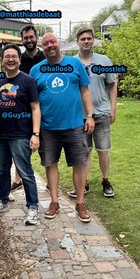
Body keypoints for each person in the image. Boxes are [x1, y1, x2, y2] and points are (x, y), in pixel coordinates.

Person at [29, 32, 95, 223]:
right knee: (50, 164)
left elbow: (85, 91)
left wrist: (90, 116)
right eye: (46, 44)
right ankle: (54, 201)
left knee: (80, 164)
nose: (50, 46)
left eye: (52, 42)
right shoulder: (36, 70)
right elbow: (34, 102)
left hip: (74, 124)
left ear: (59, 43)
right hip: (48, 127)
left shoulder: (75, 65)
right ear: (42, 47)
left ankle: (80, 203)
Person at [0, 44, 41, 225]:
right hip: (1, 136)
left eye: (14, 56)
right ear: (2, 60)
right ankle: (2, 199)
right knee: (2, 171)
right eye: (7, 56)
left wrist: (35, 134)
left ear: (19, 59)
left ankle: (33, 206)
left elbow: (35, 108)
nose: (10, 59)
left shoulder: (27, 81)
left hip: (21, 134)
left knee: (25, 172)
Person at [72, 27, 117, 198]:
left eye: (89, 38)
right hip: (80, 115)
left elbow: (112, 85)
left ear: (93, 41)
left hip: (102, 112)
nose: (86, 41)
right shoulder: (71, 63)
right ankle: (84, 183)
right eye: (82, 39)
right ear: (77, 42)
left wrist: (113, 108)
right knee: (85, 151)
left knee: (103, 149)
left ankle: (106, 181)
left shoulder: (104, 60)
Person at [11, 24, 47, 192]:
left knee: (46, 146)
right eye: (26, 38)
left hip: (45, 107)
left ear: (36, 38)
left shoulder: (45, 56)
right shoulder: (21, 59)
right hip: (25, 109)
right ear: (22, 40)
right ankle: (18, 179)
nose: (29, 40)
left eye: (31, 37)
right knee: (23, 145)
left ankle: (49, 180)